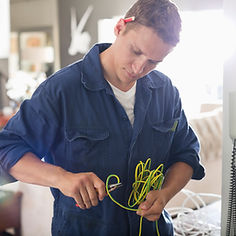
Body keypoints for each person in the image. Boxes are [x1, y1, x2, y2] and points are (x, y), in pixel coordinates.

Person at [0, 0, 205, 235]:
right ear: (119, 28)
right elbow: (6, 148)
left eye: (153, 62)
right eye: (136, 51)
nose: (139, 68)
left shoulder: (166, 90)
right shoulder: (61, 90)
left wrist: (166, 193)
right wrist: (62, 178)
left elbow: (186, 153)